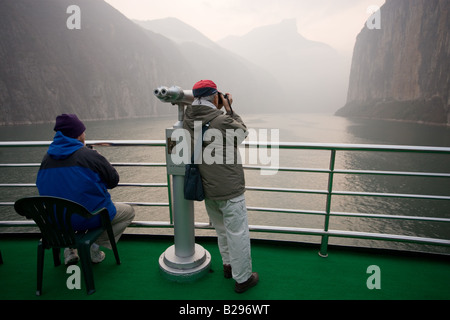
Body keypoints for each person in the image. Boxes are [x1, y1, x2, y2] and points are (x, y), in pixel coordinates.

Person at [183, 80, 258, 293]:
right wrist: (230, 108)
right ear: (215, 97)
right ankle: (243, 278)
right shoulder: (221, 120)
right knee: (237, 233)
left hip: (207, 188)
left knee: (222, 230)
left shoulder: (188, 118)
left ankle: (228, 266)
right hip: (229, 188)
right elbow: (242, 133)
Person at [36, 114, 135, 265]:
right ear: (78, 134)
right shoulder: (89, 155)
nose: (84, 134)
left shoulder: (46, 159)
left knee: (66, 203)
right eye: (83, 131)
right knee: (128, 212)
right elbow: (113, 180)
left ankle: (69, 249)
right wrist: (97, 157)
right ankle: (93, 247)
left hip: (57, 222)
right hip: (88, 218)